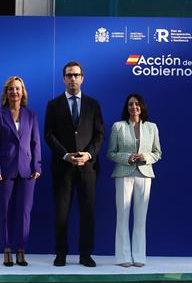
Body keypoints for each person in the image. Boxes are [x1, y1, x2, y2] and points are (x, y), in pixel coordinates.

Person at [44, 61, 104, 267]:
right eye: (69, 75)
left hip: (88, 168)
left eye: (76, 75)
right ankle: (61, 254)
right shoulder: (53, 105)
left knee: (87, 212)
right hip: (63, 167)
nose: (73, 79)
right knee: (62, 213)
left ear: (82, 78)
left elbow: (99, 135)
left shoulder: (93, 104)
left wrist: (88, 154)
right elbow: (49, 135)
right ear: (64, 79)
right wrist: (65, 155)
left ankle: (85, 254)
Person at [0, 76, 41, 267]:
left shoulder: (31, 115)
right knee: (6, 212)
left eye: (18, 89)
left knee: (24, 212)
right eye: (11, 89)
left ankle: (21, 250)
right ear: (6, 93)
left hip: (28, 171)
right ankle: (7, 250)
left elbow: (35, 142)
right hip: (5, 170)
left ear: (23, 92)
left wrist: (37, 165)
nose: (15, 92)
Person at [107, 94, 161, 267]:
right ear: (127, 107)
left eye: (137, 104)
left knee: (140, 218)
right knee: (122, 216)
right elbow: (111, 153)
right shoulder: (118, 126)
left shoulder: (152, 127)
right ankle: (123, 257)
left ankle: (139, 256)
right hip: (123, 174)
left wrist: (145, 156)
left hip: (144, 174)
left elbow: (158, 152)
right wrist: (127, 157)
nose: (134, 107)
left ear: (142, 107)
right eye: (130, 104)